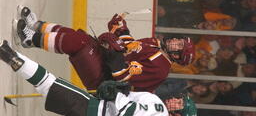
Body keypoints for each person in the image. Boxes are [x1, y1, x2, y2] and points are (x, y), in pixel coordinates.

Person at [15, 6, 195, 92]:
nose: (175, 41)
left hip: (103, 81)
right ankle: (37, 26)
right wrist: (120, 28)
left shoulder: (161, 68)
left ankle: (31, 39)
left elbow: (124, 78)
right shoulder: (154, 43)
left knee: (80, 43)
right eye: (178, 40)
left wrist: (113, 50)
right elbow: (128, 45)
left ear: (177, 55)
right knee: (77, 36)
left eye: (179, 45)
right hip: (105, 64)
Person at [0, 40, 168, 116]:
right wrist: (115, 90)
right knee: (48, 85)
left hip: (91, 109)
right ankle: (11, 57)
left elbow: (125, 107)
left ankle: (10, 56)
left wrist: (115, 94)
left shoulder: (157, 103)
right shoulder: (157, 103)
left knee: (47, 83)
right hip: (92, 108)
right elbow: (128, 95)